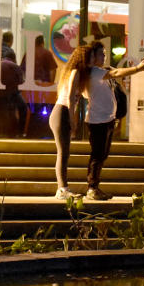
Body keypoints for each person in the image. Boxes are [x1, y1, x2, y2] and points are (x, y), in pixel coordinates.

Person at [83, 38, 144, 200]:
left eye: (105, 54)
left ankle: (95, 187)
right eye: (101, 54)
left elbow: (113, 75)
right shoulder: (94, 72)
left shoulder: (101, 72)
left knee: (102, 155)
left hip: (106, 120)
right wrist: (138, 68)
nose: (104, 57)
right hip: (97, 121)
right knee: (98, 154)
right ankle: (92, 188)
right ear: (92, 56)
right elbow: (116, 73)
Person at [49, 41, 91, 199]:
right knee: (63, 153)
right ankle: (62, 189)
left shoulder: (76, 73)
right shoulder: (76, 72)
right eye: (91, 56)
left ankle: (63, 188)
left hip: (61, 112)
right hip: (62, 112)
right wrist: (73, 119)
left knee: (64, 152)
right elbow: (71, 100)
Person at [0, 50, 28, 137]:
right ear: (14, 58)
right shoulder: (15, 66)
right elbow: (21, 83)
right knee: (23, 108)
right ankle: (20, 132)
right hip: (11, 93)